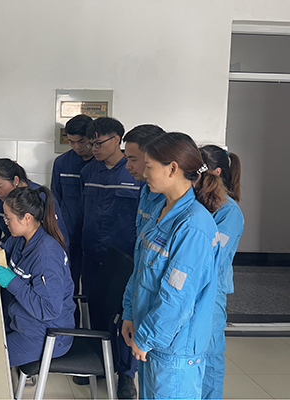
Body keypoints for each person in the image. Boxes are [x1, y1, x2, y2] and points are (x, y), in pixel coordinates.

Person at [121, 132, 224, 399]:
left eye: (149, 166)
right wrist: (130, 313)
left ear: (172, 169)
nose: (144, 173)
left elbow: (177, 296)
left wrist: (147, 337)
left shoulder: (193, 226)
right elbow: (140, 269)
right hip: (152, 338)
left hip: (174, 350)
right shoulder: (161, 211)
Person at [0, 186, 76, 367]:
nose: (5, 223)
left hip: (46, 334)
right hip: (22, 321)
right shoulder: (20, 238)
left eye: (8, 218)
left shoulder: (46, 255)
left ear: (27, 218)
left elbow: (49, 310)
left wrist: (13, 282)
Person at [79, 117, 142, 398]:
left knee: (126, 315)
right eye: (90, 143)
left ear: (117, 139)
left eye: (98, 143)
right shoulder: (88, 171)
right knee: (96, 310)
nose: (93, 148)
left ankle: (127, 374)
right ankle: (99, 363)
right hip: (92, 253)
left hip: (125, 258)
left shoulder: (135, 173)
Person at [199, 145, 244, 399]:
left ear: (215, 172)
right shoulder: (196, 203)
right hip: (193, 287)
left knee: (210, 352)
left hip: (211, 289)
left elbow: (213, 256)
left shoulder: (229, 211)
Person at [51, 114, 94, 325]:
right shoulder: (62, 163)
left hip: (95, 237)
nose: (77, 147)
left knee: (96, 288)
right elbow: (54, 201)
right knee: (68, 284)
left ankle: (94, 331)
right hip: (68, 236)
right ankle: (71, 328)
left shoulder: (100, 164)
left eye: (81, 141)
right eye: (71, 141)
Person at [0, 158, 69, 250]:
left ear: (16, 180)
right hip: (12, 248)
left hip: (36, 250)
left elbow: (58, 232)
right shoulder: (1, 195)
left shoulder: (39, 196)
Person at [122, 124, 167, 236]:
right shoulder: (146, 189)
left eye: (133, 160)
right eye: (127, 159)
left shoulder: (170, 199)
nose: (127, 166)